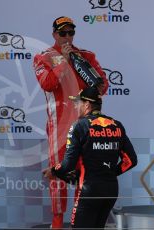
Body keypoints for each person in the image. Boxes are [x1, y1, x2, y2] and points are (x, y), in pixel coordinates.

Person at [33, 16, 109, 228]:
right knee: (59, 174)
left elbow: (103, 85)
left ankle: (80, 220)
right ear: (54, 34)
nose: (67, 37)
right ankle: (56, 223)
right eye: (62, 33)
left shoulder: (87, 56)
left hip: (87, 124)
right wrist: (65, 62)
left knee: (85, 173)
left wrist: (86, 74)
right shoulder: (43, 57)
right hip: (60, 128)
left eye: (70, 33)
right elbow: (47, 84)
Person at [43, 87, 137, 229]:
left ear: (87, 105)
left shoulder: (79, 126)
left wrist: (54, 171)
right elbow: (131, 160)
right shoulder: (116, 125)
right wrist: (110, 172)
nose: (75, 106)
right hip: (110, 189)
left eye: (77, 103)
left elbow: (68, 164)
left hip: (89, 189)